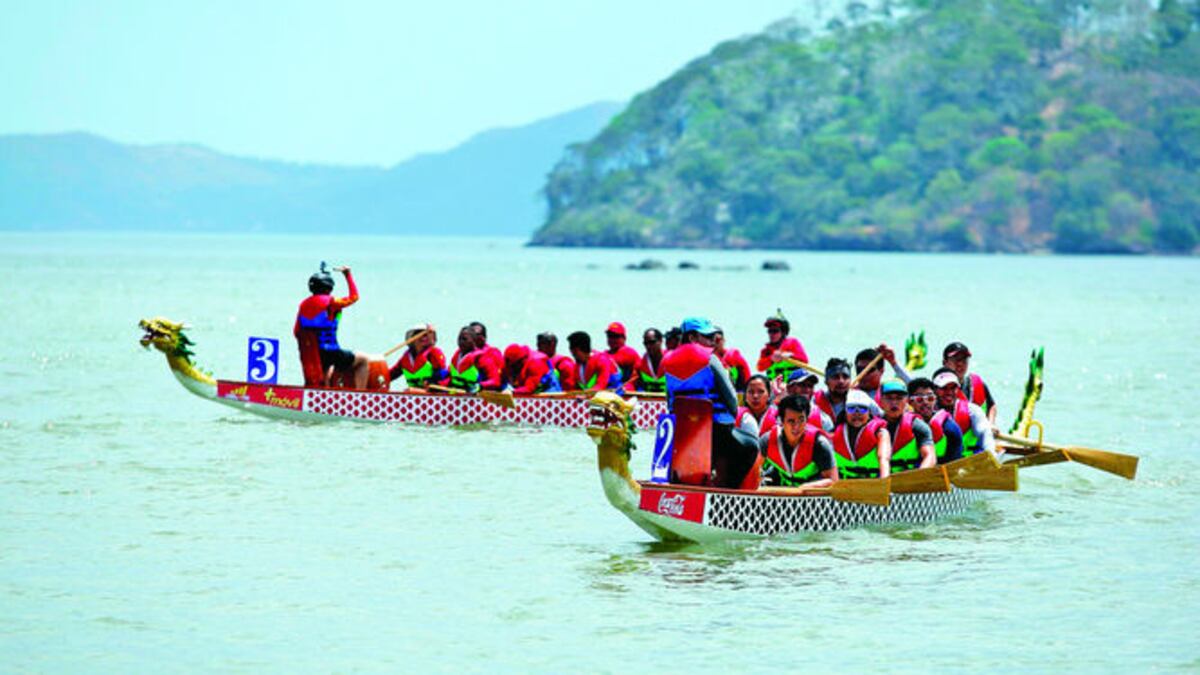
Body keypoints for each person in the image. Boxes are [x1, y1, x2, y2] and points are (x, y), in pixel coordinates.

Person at [664, 317, 761, 489]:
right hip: (716, 430)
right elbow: (731, 398)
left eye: (714, 338)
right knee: (751, 446)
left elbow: (669, 402)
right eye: (708, 337)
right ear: (692, 337)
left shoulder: (667, 361)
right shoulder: (710, 359)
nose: (712, 342)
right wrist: (732, 420)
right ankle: (727, 493)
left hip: (683, 434)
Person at [294, 265, 370, 388]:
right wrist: (348, 275)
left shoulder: (303, 304)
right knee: (363, 360)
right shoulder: (331, 301)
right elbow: (354, 297)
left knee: (325, 373)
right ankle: (360, 396)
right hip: (331, 351)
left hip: (313, 353)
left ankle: (321, 400)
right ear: (329, 287)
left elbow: (297, 331)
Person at [759, 395, 839, 487]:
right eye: (791, 421)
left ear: (807, 419)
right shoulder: (767, 440)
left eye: (801, 420)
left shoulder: (820, 444)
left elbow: (833, 481)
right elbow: (754, 469)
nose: (796, 426)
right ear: (781, 421)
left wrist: (806, 488)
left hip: (812, 495)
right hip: (782, 490)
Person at [933, 367, 996, 456]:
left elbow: (985, 434)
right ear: (935, 390)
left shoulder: (972, 410)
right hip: (940, 463)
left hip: (970, 460)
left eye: (953, 388)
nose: (949, 392)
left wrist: (991, 456)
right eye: (944, 388)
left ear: (958, 389)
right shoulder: (927, 412)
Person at [831, 390, 892, 479]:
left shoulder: (881, 433)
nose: (857, 413)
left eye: (862, 409)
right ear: (845, 412)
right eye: (851, 409)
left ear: (869, 412)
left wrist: (884, 481)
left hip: (873, 484)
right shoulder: (834, 433)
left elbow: (884, 459)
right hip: (844, 485)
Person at [878, 380, 936, 472]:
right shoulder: (873, 426)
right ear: (880, 401)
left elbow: (930, 456)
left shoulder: (918, 426)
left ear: (906, 401)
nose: (894, 403)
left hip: (911, 479)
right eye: (889, 398)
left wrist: (916, 478)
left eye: (899, 398)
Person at [907, 376, 965, 464]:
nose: (926, 403)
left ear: (935, 400)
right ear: (910, 402)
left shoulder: (950, 427)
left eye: (930, 398)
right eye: (919, 400)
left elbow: (956, 460)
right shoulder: (902, 425)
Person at [942, 341, 998, 426]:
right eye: (955, 360)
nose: (960, 364)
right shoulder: (937, 389)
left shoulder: (978, 384)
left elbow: (992, 406)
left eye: (964, 360)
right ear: (944, 363)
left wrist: (991, 424)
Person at [813, 358, 882, 422]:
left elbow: (884, 417)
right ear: (826, 381)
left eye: (845, 377)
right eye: (836, 377)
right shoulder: (815, 400)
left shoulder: (861, 398)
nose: (841, 381)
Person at [388, 324, 448, 389]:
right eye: (419, 334)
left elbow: (443, 372)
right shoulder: (406, 357)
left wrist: (431, 380)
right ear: (412, 339)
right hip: (413, 394)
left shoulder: (434, 352)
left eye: (426, 335)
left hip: (432, 393)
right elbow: (392, 374)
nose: (423, 337)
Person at [756, 310, 810, 381]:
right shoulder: (766, 351)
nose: (771, 334)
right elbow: (760, 367)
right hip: (775, 387)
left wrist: (790, 356)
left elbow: (805, 360)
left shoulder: (793, 343)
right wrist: (771, 359)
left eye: (775, 331)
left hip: (794, 386)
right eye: (770, 331)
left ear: (783, 332)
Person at [624, 328, 666, 393]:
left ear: (661, 341)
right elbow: (631, 383)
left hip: (670, 401)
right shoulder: (640, 364)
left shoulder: (671, 361)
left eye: (652, 342)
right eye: (646, 343)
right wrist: (625, 389)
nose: (648, 346)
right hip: (647, 401)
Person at [713, 326, 751, 392]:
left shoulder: (732, 354)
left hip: (740, 394)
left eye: (717, 340)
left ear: (723, 340)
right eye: (711, 340)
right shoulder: (709, 359)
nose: (714, 343)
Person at [467, 321, 503, 391]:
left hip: (491, 390)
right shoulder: (464, 353)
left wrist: (480, 386)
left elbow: (496, 381)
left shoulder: (491, 354)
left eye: (477, 335)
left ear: (484, 338)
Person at [448, 326, 484, 392]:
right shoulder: (456, 356)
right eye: (459, 339)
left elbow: (495, 381)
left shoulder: (480, 357)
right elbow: (449, 377)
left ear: (474, 340)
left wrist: (480, 386)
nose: (461, 342)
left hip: (472, 397)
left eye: (464, 339)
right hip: (455, 395)